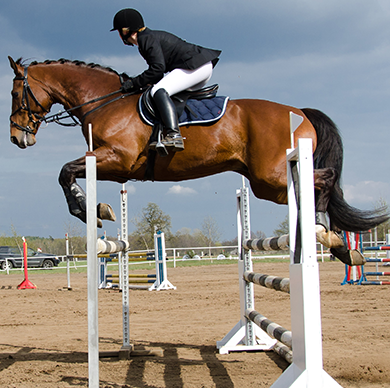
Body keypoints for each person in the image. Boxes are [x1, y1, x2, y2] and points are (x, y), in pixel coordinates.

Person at [111, 8, 221, 151]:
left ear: (125, 31)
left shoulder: (145, 39)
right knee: (160, 90)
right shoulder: (147, 37)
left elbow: (157, 70)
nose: (120, 36)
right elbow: (158, 71)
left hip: (195, 66)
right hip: (198, 66)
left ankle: (174, 135)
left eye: (119, 32)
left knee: (158, 90)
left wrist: (134, 83)